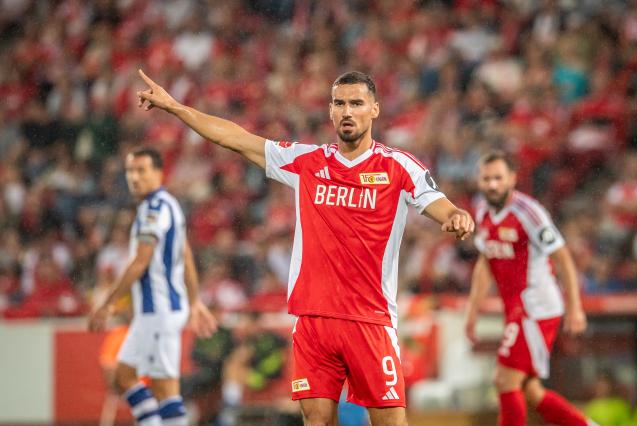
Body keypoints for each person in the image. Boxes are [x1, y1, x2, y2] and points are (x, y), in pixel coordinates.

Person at [136, 69, 474, 426]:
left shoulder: (397, 166)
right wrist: (175, 107)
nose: (347, 111)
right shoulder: (307, 162)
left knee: (391, 423)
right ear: (329, 110)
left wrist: (456, 216)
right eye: (339, 103)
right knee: (316, 421)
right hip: (313, 321)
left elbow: (439, 203)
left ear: (374, 109)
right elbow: (237, 139)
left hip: (369, 319)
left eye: (356, 103)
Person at [89, 148, 217, 426]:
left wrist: (109, 304)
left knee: (165, 389)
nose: (134, 177)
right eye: (130, 171)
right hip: (154, 314)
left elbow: (140, 262)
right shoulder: (168, 205)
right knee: (123, 376)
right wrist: (194, 301)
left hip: (159, 311)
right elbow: (184, 254)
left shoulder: (154, 208)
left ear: (159, 173)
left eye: (142, 170)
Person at [465, 151, 594, 426]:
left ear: (512, 178)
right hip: (517, 309)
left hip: (537, 306)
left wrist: (575, 308)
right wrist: (472, 311)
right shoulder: (481, 210)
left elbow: (563, 258)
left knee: (504, 379)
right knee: (531, 391)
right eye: (487, 178)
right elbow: (484, 262)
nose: (492, 185)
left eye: (498, 178)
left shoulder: (529, 212)